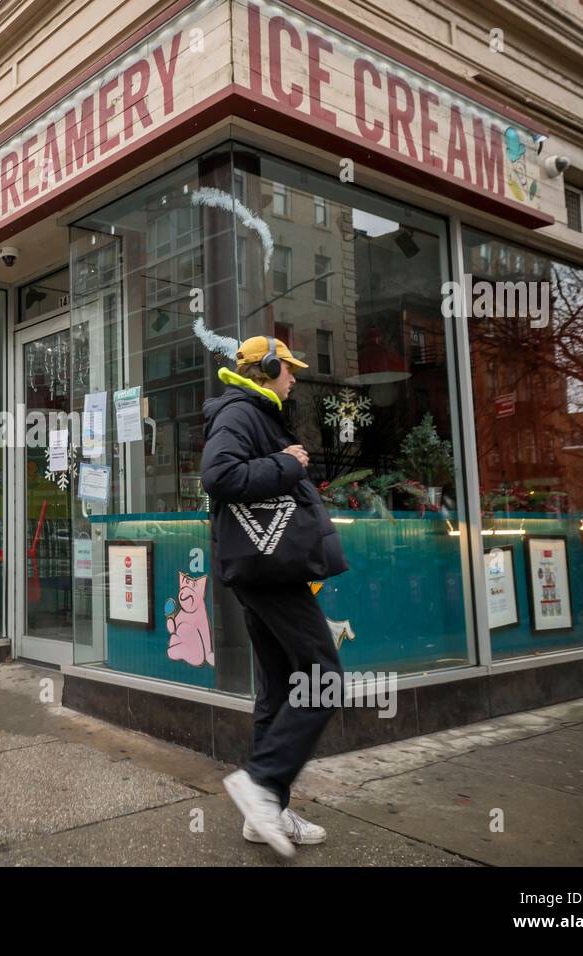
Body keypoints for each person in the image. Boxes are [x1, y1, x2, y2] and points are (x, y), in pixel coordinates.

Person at [201, 335, 348, 859]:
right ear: (265, 368)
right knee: (324, 678)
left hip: (266, 569)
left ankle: (265, 812)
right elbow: (219, 476)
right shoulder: (241, 414)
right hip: (269, 571)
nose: (294, 378)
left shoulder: (258, 414)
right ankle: (262, 786)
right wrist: (288, 464)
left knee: (281, 686)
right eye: (287, 370)